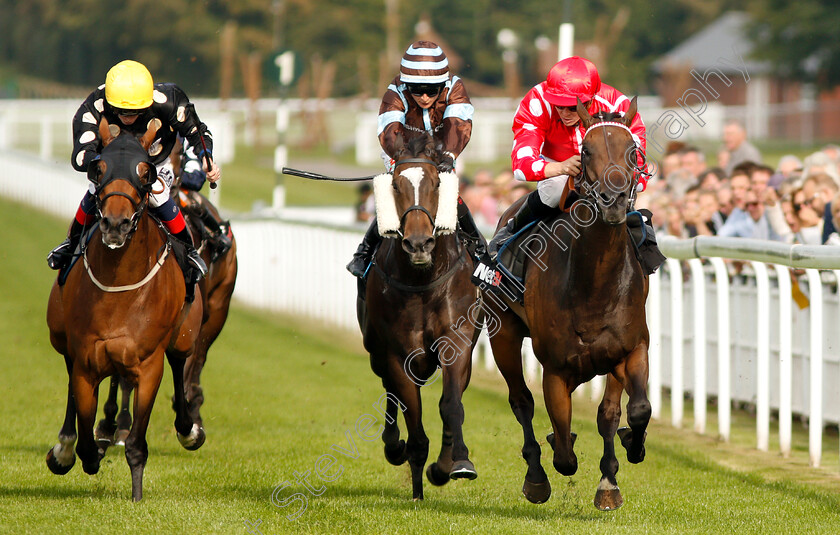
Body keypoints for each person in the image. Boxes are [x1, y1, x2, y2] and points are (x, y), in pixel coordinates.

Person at [47, 60, 220, 277]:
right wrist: (108, 165)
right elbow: (81, 156)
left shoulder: (169, 100)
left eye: (136, 111)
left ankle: (189, 252)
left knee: (158, 196)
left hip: (154, 161)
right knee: (94, 192)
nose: (128, 117)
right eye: (121, 111)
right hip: (111, 163)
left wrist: (206, 156)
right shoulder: (95, 104)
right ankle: (70, 245)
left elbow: (197, 132)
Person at [487, 56, 652, 259]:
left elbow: (639, 169)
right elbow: (521, 166)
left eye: (573, 107)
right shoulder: (537, 101)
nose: (564, 113)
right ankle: (510, 231)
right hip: (557, 171)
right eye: (558, 106)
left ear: (590, 99)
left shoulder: (617, 104)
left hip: (604, 176)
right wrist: (561, 168)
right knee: (555, 186)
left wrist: (614, 179)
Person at [346, 41, 484, 277]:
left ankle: (480, 250)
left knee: (448, 188)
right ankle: (364, 251)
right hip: (403, 150)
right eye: (416, 89)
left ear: (443, 85)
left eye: (431, 91)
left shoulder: (455, 87)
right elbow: (390, 131)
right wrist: (401, 159)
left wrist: (449, 156)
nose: (423, 96)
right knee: (398, 191)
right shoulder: (395, 90)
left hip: (442, 149)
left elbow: (457, 125)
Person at [174, 136, 233, 261]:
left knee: (194, 203)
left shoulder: (185, 132)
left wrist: (172, 176)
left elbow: (196, 179)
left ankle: (216, 235)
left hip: (177, 186)